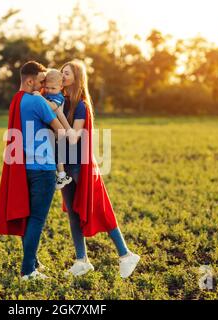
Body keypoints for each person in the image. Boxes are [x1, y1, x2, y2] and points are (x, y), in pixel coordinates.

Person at [59, 60, 141, 279]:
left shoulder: (80, 106)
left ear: (76, 77)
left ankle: (126, 254)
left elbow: (74, 138)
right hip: (65, 166)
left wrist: (58, 116)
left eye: (66, 73)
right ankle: (81, 260)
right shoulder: (62, 102)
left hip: (82, 166)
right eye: (61, 72)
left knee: (101, 210)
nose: (62, 76)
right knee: (73, 214)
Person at [0, 61, 67, 280]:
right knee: (36, 219)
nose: (44, 86)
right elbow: (61, 131)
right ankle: (28, 271)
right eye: (42, 81)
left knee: (29, 216)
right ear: (31, 80)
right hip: (43, 168)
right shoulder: (38, 102)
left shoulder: (18, 100)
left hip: (24, 166)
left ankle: (32, 261)